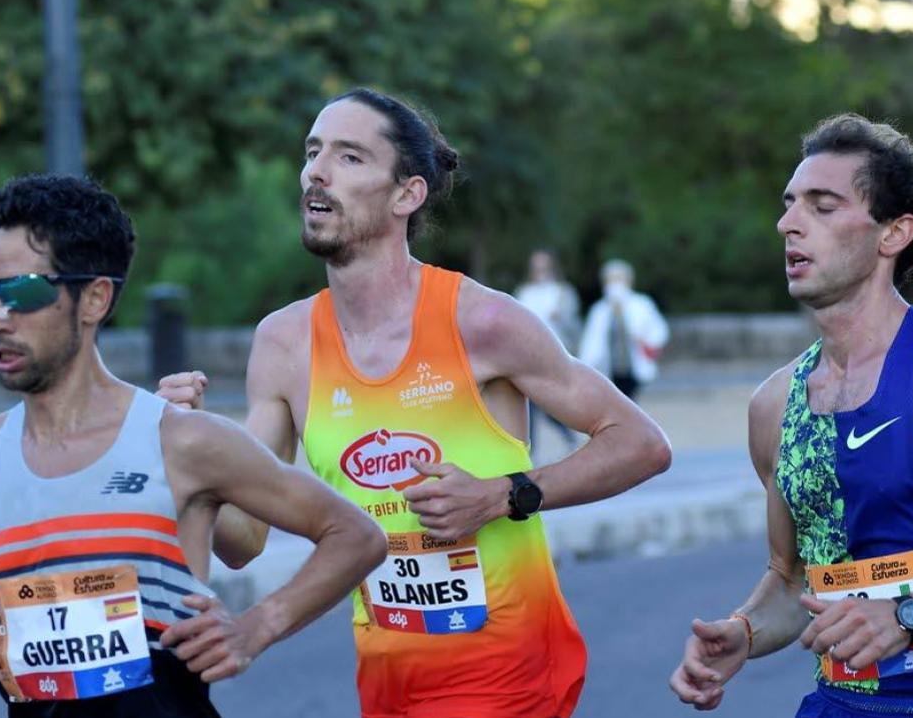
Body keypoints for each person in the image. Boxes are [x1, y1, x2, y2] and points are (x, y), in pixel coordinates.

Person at [161, 87, 672, 718]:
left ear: (407, 194)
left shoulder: (481, 320)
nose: (316, 171)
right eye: (313, 151)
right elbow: (244, 542)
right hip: (387, 685)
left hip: (509, 674)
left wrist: (505, 493)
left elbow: (641, 443)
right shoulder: (283, 343)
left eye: (349, 158)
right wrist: (194, 446)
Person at [0, 175, 386, 717]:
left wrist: (255, 628)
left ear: (94, 298)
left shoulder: (181, 440)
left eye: (22, 291)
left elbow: (355, 536)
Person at [669, 114, 913, 717]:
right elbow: (794, 579)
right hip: (839, 704)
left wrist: (911, 616)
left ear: (893, 233)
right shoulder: (774, 405)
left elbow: (902, 614)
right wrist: (742, 631)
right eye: (790, 205)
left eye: (822, 207)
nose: (788, 224)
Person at [514, 248, 581, 450]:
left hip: (554, 355)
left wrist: (561, 316)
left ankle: (566, 432)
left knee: (548, 402)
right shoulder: (524, 293)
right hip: (527, 356)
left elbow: (574, 326)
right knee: (530, 404)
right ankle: (531, 447)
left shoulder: (563, 292)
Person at [577, 259, 669, 400]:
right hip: (607, 369)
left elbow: (659, 331)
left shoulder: (642, 304)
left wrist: (643, 336)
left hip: (634, 367)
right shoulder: (600, 310)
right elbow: (591, 342)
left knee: (630, 403)